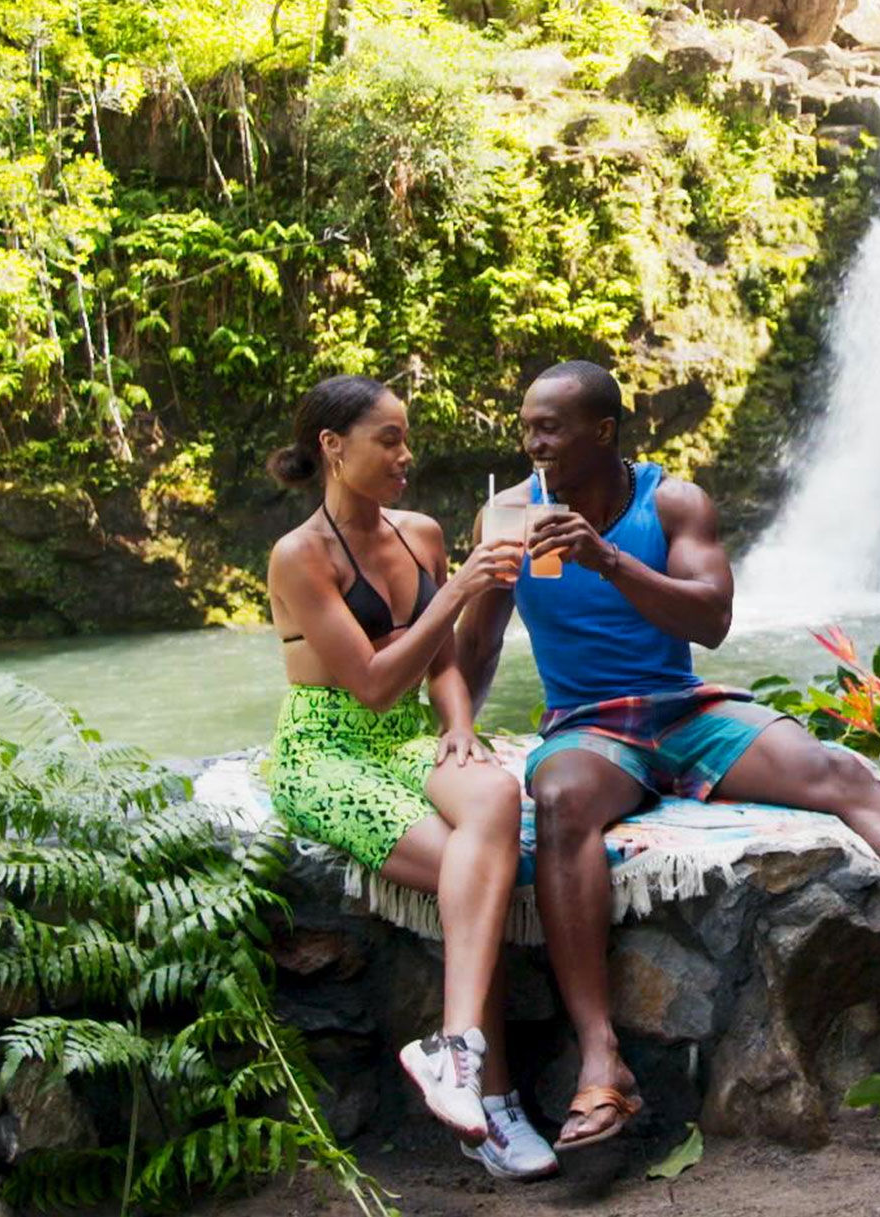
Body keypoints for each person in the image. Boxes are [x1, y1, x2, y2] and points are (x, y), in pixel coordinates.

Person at [458, 360, 880, 1152]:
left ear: (603, 432)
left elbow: (710, 621)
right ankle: (602, 1060)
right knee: (563, 800)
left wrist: (607, 558)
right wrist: (455, 725)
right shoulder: (505, 515)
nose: (534, 443)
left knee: (838, 771)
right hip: (588, 724)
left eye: (551, 427)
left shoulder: (671, 503)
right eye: (526, 425)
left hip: (680, 705)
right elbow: (480, 640)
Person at [264, 374, 557, 1181]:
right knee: (483, 873)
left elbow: (437, 669)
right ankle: (493, 1106)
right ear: (334, 446)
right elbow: (371, 682)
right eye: (387, 438)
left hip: (412, 738)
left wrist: (460, 726)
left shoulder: (421, 531)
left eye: (405, 436)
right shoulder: (300, 555)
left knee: (494, 792)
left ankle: (454, 1048)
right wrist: (462, 588)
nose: (405, 454)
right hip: (327, 749)